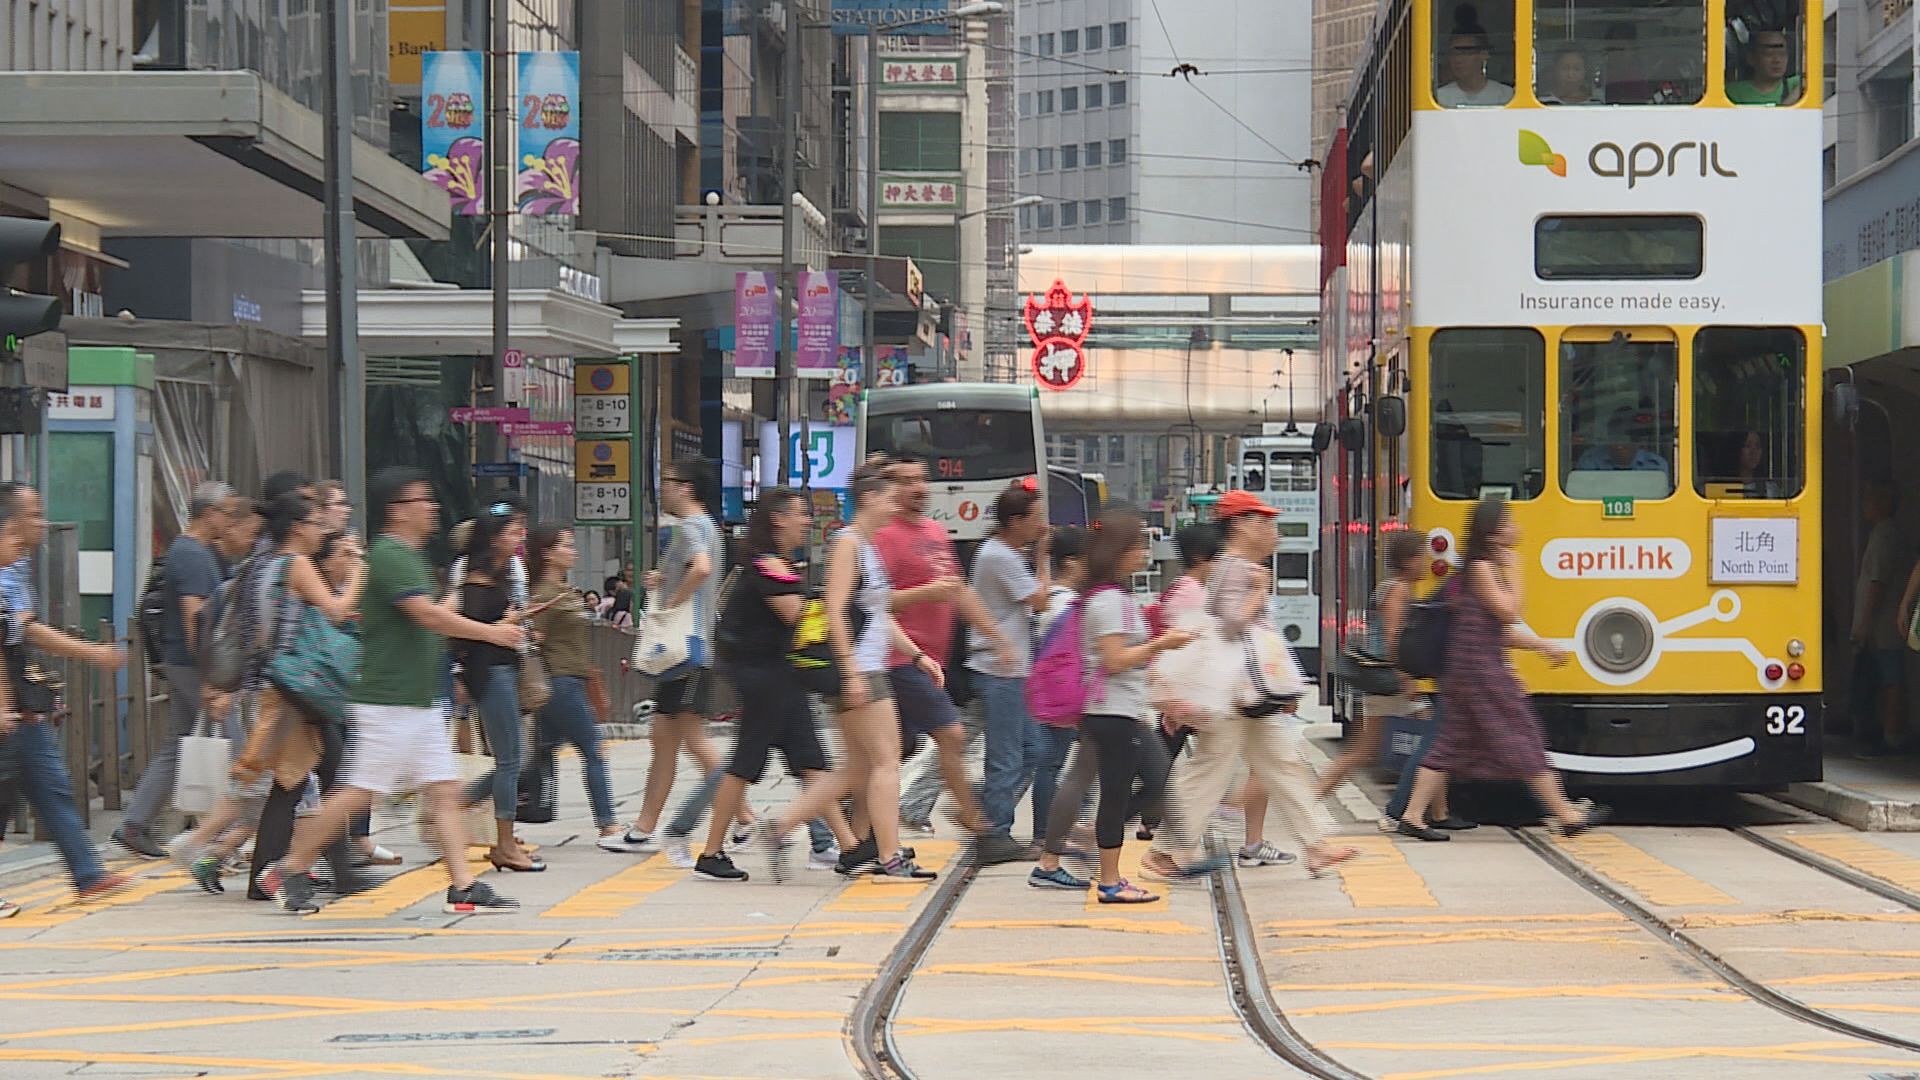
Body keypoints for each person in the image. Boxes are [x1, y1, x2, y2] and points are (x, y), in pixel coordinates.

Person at [265, 468, 524, 915]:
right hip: (388, 701)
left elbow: (426, 616)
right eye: (421, 500)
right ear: (397, 510)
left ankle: (462, 884)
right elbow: (427, 616)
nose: (431, 507)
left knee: (442, 789)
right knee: (356, 792)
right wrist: (491, 634)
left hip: (414, 699)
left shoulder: (408, 556)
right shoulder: (389, 555)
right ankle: (293, 864)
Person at [1143, 491, 1359, 880]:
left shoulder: (1239, 566)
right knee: (1213, 770)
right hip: (1233, 693)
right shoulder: (1236, 568)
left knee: (1281, 764)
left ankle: (1316, 846)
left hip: (1246, 694)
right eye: (1267, 524)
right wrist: (1260, 592)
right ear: (1242, 525)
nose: (1275, 533)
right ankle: (1165, 853)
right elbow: (1228, 625)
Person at [757, 462, 942, 882]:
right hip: (860, 667)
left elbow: (877, 613)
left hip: (865, 664)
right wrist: (852, 671)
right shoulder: (847, 543)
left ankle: (785, 828)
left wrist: (916, 655)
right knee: (886, 761)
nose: (897, 502)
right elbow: (836, 609)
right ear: (870, 498)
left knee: (858, 768)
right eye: (890, 495)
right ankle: (891, 855)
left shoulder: (867, 544)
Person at [185, 497, 368, 899]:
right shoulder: (295, 564)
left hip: (269, 686)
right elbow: (336, 611)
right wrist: (358, 574)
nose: (322, 531)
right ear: (298, 527)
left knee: (296, 782)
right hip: (295, 689)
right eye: (317, 523)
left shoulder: (257, 564)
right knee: (327, 779)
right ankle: (330, 874)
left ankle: (303, 875)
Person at [1397, 497, 1611, 839]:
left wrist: (1541, 646)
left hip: (1465, 671)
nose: (1516, 529)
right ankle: (1566, 814)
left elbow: (1492, 630)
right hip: (1481, 673)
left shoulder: (1476, 569)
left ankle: (1412, 815)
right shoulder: (1482, 567)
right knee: (1524, 738)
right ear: (1494, 534)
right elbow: (1508, 612)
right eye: (1509, 523)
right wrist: (1515, 571)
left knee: (1449, 744)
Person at [690, 489, 857, 882]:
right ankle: (711, 853)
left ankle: (851, 847)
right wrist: (834, 604)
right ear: (778, 519)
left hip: (781, 675)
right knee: (745, 763)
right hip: (764, 677)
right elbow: (797, 619)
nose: (807, 522)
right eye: (801, 515)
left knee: (811, 761)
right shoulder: (766, 566)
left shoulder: (776, 564)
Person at [1031, 509, 1193, 903]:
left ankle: (1070, 865)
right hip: (1112, 713)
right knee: (1118, 794)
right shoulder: (1108, 601)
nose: (1143, 552)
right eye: (1136, 545)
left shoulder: (1107, 597)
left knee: (1115, 787)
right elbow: (1114, 659)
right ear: (1118, 551)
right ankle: (1109, 880)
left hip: (1113, 710)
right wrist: (1161, 645)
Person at [609, 460, 749, 859]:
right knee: (666, 739)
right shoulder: (706, 528)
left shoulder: (690, 528)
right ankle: (644, 828)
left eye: (667, 483)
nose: (662, 490)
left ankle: (744, 819)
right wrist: (665, 581)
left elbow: (701, 570)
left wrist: (671, 601)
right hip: (692, 648)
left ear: (686, 487)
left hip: (686, 648)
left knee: (689, 739)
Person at [0, 484, 131, 905]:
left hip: (24, 708)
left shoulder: (15, 567)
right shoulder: (6, 571)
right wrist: (94, 654)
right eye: (32, 515)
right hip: (14, 709)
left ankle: (87, 872)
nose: (39, 526)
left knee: (48, 787)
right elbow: (13, 639)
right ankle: (87, 871)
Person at [115, 481, 248, 859]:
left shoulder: (202, 552)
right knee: (240, 751)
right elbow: (196, 618)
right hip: (193, 664)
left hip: (188, 663)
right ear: (210, 514)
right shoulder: (189, 554)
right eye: (228, 512)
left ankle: (134, 824)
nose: (231, 519)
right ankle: (229, 835)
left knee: (176, 746)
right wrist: (211, 678)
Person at [875, 455, 1001, 841]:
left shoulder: (935, 531)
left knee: (888, 754)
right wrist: (926, 593)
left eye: (921, 478)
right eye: (905, 480)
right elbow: (871, 602)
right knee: (952, 735)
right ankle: (974, 821)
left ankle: (831, 821)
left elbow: (959, 591)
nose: (917, 487)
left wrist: (995, 634)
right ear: (888, 489)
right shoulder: (884, 536)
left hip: (930, 662)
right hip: (897, 657)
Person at [453, 497, 542, 873]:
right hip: (491, 675)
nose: (518, 536)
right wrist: (502, 628)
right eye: (510, 531)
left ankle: (470, 811)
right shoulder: (476, 581)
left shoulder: (502, 575)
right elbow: (467, 635)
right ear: (491, 539)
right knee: (511, 760)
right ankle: (501, 842)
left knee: (514, 759)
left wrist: (513, 621)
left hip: (502, 670)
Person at [969, 481, 1055, 865]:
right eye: (1036, 518)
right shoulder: (999, 556)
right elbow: (1040, 599)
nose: (1041, 525)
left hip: (1013, 667)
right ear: (1015, 521)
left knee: (1035, 750)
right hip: (999, 667)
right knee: (1006, 756)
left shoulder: (1004, 553)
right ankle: (995, 833)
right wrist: (1044, 557)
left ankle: (984, 807)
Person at [1364, 532, 1473, 835]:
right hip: (1393, 679)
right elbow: (1393, 637)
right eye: (1421, 556)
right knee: (1431, 745)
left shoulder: (1407, 589)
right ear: (1408, 561)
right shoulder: (1399, 590)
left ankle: (1437, 811)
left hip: (1399, 678)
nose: (1426, 561)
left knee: (1437, 742)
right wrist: (1407, 678)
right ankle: (1400, 810)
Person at [524, 525, 623, 849]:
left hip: (571, 680)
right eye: (566, 545)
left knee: (536, 757)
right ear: (547, 553)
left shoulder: (565, 591)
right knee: (593, 749)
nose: (573, 550)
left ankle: (467, 799)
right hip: (558, 683)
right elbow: (534, 640)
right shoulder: (543, 594)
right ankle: (608, 825)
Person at [1856, 483, 1906, 756]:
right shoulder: (1883, 533)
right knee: (1884, 676)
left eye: (1871, 498)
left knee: (1890, 678)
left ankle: (1891, 736)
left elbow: (1878, 582)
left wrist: (1866, 620)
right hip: (1883, 620)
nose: (1866, 504)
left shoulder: (1885, 535)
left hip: (1884, 621)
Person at [1435, 8, 1514, 107]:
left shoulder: (1506, 96)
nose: (1458, 60)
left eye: (1465, 52)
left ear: (1484, 54)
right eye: (1453, 53)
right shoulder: (1440, 98)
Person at [1576, 409, 1668, 472]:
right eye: (1616, 437)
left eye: (1626, 438)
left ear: (1638, 441)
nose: (1620, 445)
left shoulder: (1655, 465)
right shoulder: (1590, 461)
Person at [1727, 28, 1802, 105]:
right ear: (1751, 58)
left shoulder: (1798, 84)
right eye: (1768, 54)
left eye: (1782, 54)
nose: (1777, 60)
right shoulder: (1733, 93)